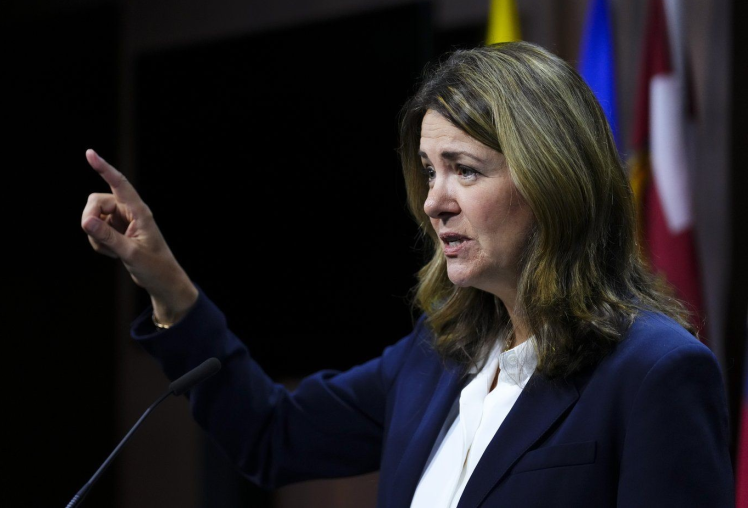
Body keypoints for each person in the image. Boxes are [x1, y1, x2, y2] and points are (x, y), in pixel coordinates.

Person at [81, 42, 733, 507]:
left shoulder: (655, 371)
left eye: (464, 170)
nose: (433, 201)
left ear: (553, 181)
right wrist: (165, 283)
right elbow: (272, 436)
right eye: (428, 171)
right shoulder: (435, 358)